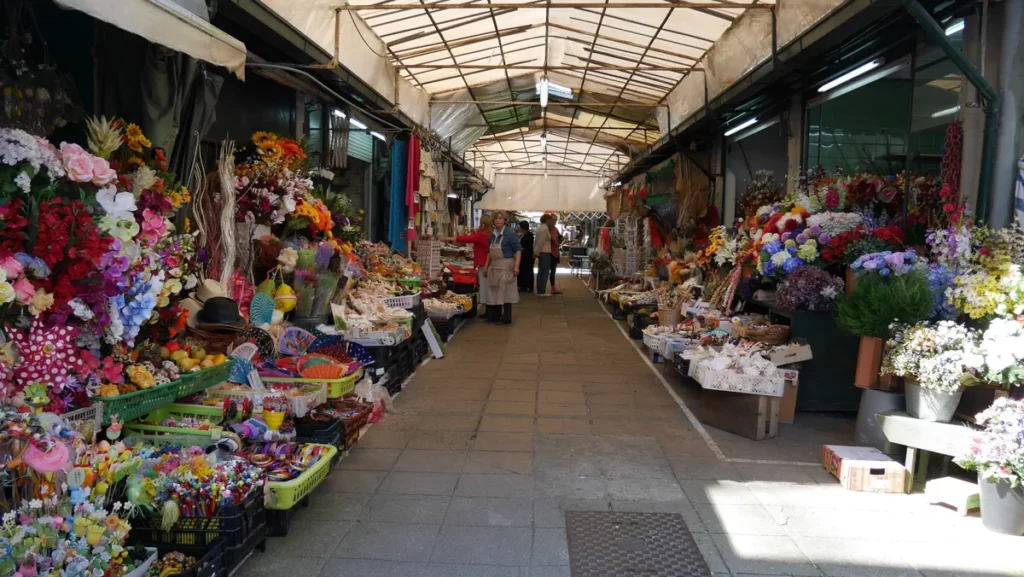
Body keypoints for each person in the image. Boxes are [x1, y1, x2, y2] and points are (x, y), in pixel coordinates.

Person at [442, 214, 492, 316]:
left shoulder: (481, 235)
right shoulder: (489, 234)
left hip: (483, 263)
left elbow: (465, 238)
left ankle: (489, 311)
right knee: (487, 287)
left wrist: (446, 238)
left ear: (483, 223)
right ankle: (489, 310)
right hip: (487, 262)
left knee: (484, 287)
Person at [483, 211, 522, 324]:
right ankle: (495, 315)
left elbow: (517, 251)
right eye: (496, 218)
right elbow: (489, 252)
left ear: (505, 220)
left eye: (500, 218)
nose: (498, 220)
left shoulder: (510, 233)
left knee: (506, 291)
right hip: (494, 265)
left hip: (506, 264)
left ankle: (506, 317)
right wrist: (486, 266)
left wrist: (516, 267)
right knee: (494, 290)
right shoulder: (492, 234)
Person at [535, 214, 554, 297]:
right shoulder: (545, 229)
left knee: (541, 272)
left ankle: (540, 289)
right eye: (551, 220)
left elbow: (537, 241)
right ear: (547, 220)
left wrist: (536, 252)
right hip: (545, 252)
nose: (552, 222)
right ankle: (542, 290)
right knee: (544, 272)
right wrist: (536, 252)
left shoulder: (540, 228)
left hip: (542, 253)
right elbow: (541, 242)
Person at [517, 221, 534, 293]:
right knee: (523, 270)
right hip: (522, 255)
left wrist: (522, 248)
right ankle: (523, 285)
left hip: (527, 256)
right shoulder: (521, 235)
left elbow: (528, 245)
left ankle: (528, 286)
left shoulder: (529, 235)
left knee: (528, 271)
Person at [548, 214, 563, 295]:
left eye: (555, 220)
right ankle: (542, 288)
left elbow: (559, 237)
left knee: (553, 271)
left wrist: (560, 241)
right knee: (546, 271)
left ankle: (553, 287)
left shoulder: (555, 229)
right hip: (549, 252)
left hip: (555, 252)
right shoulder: (547, 229)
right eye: (553, 220)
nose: (554, 222)